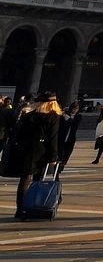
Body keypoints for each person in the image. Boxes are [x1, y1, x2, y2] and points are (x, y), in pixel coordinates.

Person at [4, 92, 61, 221]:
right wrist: (53, 156)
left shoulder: (30, 115)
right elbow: (53, 138)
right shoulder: (53, 116)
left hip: (26, 150)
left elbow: (19, 132)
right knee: (38, 181)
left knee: (24, 180)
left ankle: (20, 209)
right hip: (42, 151)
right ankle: (34, 207)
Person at [58, 101, 83, 173]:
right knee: (61, 153)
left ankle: (63, 164)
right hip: (62, 137)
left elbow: (74, 124)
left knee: (67, 153)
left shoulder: (78, 116)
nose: (74, 110)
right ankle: (59, 166)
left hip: (71, 138)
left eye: (76, 108)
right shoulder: (65, 115)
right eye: (73, 108)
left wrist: (68, 118)